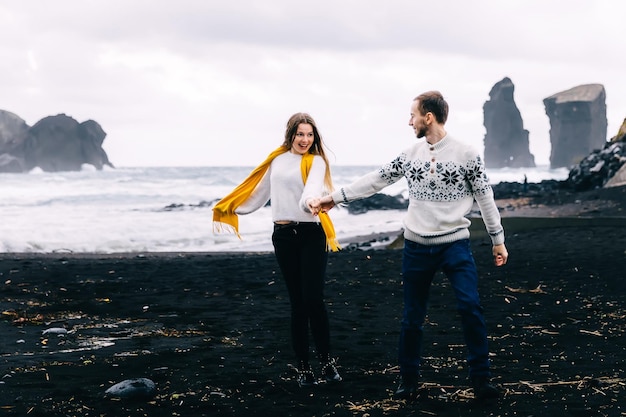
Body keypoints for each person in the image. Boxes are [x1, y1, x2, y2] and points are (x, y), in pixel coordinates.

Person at [315, 91, 508, 400]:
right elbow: (377, 179)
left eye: (412, 115)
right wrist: (333, 199)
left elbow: (485, 196)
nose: (409, 121)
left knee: (470, 307)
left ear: (427, 117)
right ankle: (408, 380)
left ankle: (481, 380)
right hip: (416, 247)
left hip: (454, 245)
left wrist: (497, 240)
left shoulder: (467, 153)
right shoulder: (410, 155)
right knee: (412, 317)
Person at [212, 112, 342, 388]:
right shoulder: (277, 160)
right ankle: (304, 368)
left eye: (309, 135)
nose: (305, 140)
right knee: (297, 304)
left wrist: (310, 203)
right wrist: (231, 208)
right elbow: (259, 194)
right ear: (291, 134)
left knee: (313, 300)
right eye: (300, 134)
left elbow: (312, 189)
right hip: (283, 236)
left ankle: (327, 362)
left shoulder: (316, 161)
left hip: (311, 233)